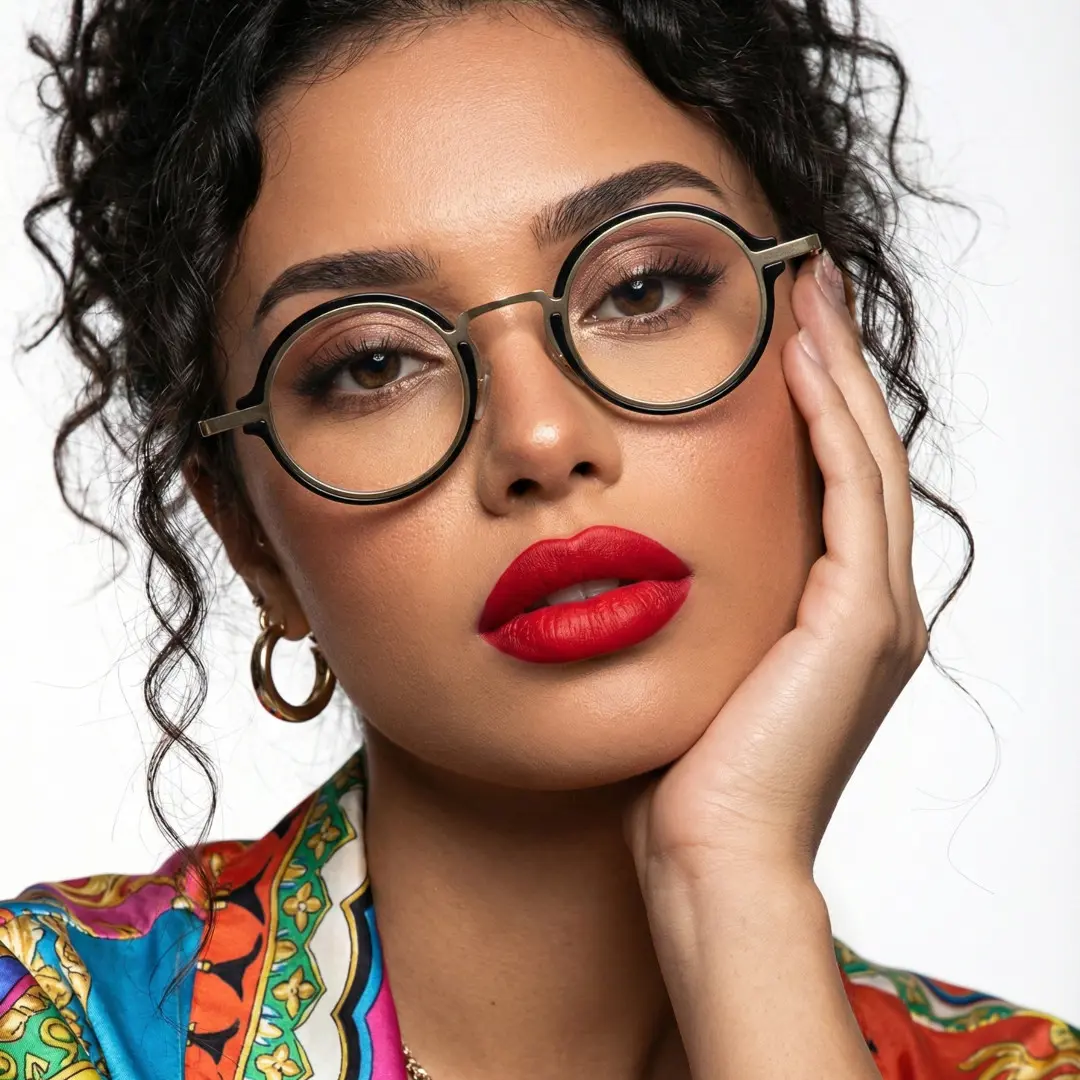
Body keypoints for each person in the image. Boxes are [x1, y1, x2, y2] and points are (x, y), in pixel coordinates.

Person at [1, 0, 1076, 1078]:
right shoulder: (53, 1031)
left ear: (827, 344)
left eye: (642, 289)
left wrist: (731, 886)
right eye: (374, 362)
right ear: (249, 536)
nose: (543, 435)